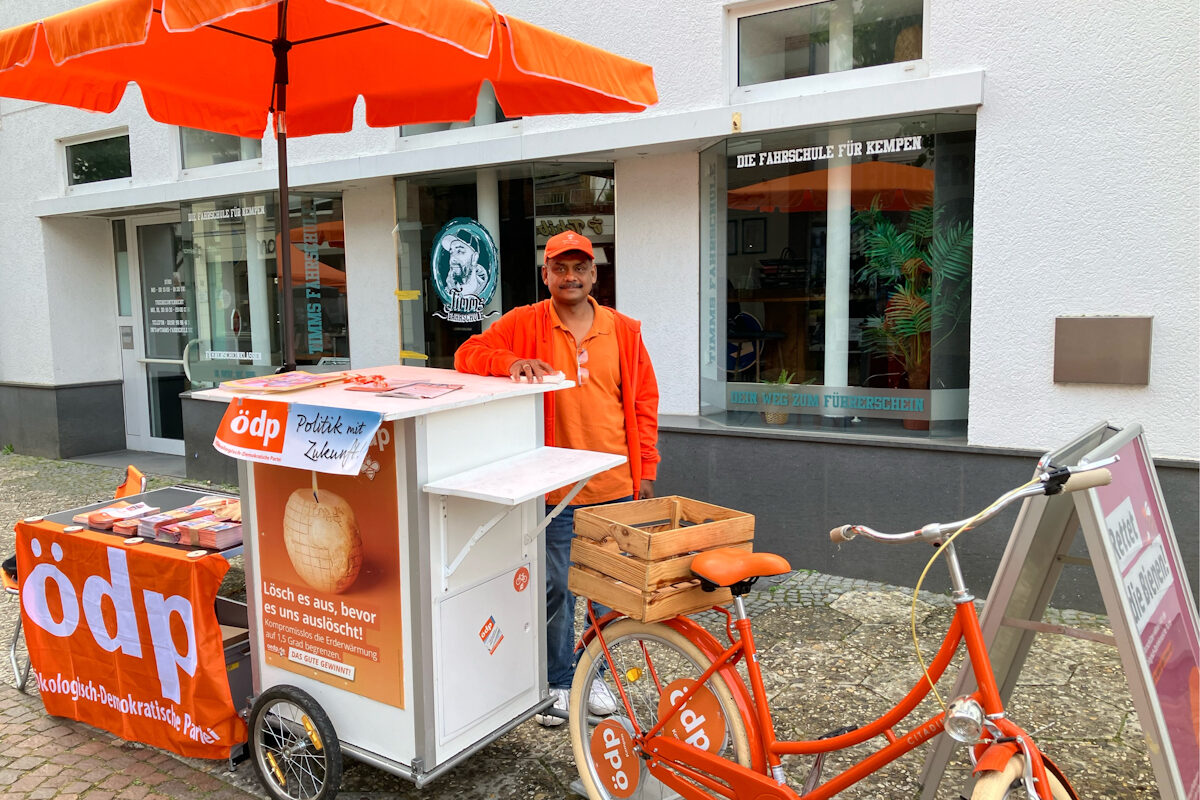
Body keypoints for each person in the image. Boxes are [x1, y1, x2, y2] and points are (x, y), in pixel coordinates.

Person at [454, 229, 660, 726]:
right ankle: (557, 682)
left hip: (615, 485)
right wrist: (510, 361)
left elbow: (643, 404)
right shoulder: (525, 323)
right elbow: (467, 354)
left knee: (608, 594)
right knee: (555, 590)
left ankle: (594, 674)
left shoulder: (624, 330)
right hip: (556, 490)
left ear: (594, 274)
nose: (571, 277)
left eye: (580, 268)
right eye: (560, 268)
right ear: (545, 275)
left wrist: (647, 468)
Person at [439, 230, 489, 299]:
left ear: (474, 258)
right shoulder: (448, 290)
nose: (452, 259)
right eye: (451, 252)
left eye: (459, 251)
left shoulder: (486, 288)